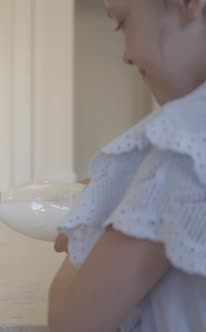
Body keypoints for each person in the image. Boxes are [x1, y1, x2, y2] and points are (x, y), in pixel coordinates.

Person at [48, 0, 206, 331]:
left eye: (123, 23)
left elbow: (71, 321)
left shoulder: (185, 142)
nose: (126, 55)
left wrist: (89, 223)